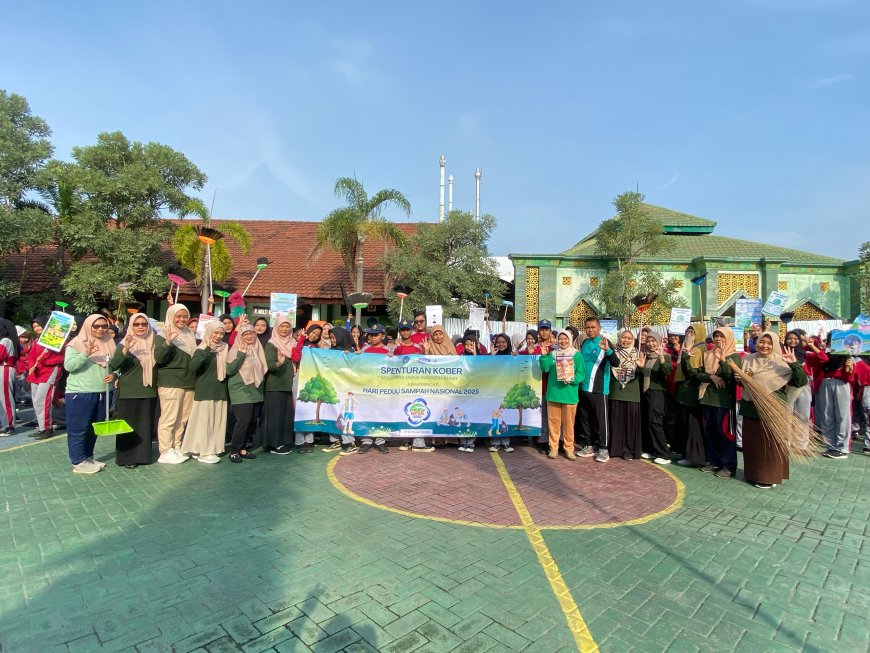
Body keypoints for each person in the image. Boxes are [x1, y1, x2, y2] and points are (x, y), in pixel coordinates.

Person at [739, 332, 807, 488]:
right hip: (751, 406)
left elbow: (800, 382)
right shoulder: (748, 359)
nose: (765, 346)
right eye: (762, 342)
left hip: (774, 408)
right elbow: (742, 383)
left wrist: (794, 364)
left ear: (775, 344)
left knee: (770, 445)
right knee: (753, 444)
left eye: (769, 343)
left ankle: (768, 477)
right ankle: (753, 474)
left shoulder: (781, 362)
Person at [63, 314, 116, 474]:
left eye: (104, 326)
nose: (101, 329)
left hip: (103, 392)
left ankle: (88, 457)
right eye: (96, 326)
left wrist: (114, 375)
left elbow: (115, 365)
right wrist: (85, 352)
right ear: (88, 326)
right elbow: (70, 366)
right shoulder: (76, 343)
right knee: (78, 428)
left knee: (93, 428)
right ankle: (78, 462)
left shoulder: (109, 342)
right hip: (80, 392)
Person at [686, 326, 741, 478]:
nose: (718, 339)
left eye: (722, 336)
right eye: (716, 336)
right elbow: (697, 374)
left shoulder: (734, 357)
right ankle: (714, 461)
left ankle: (728, 465)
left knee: (725, 434)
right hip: (706, 398)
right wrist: (710, 377)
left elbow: (728, 376)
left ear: (728, 338)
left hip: (723, 401)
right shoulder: (707, 354)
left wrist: (723, 361)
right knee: (710, 432)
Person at [181, 321, 237, 464]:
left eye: (221, 333)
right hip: (205, 390)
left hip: (220, 390)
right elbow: (193, 367)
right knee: (204, 422)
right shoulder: (201, 348)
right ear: (209, 332)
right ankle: (204, 452)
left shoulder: (225, 347)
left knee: (216, 422)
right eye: (215, 332)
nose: (218, 336)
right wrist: (207, 349)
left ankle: (205, 448)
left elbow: (230, 368)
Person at [109, 313, 157, 468]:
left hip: (148, 390)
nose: (141, 327)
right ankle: (126, 457)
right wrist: (125, 350)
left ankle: (143, 456)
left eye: (144, 324)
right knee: (127, 425)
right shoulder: (124, 343)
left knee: (144, 425)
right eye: (136, 324)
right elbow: (115, 364)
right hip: (129, 391)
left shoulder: (154, 342)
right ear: (131, 326)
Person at [154, 304, 197, 464]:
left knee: (182, 418)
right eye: (178, 316)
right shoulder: (163, 334)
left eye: (185, 316)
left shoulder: (189, 334)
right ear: (171, 316)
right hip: (171, 382)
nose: (182, 319)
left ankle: (176, 446)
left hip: (189, 382)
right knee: (169, 418)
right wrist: (168, 342)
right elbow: (159, 358)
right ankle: (165, 451)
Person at [539, 329, 585, 460]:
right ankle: (553, 447)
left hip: (569, 395)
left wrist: (572, 379)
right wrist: (543, 356)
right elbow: (545, 368)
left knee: (569, 424)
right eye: (560, 339)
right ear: (557, 340)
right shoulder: (552, 354)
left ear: (570, 340)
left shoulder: (576, 355)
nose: (563, 341)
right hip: (553, 393)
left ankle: (569, 448)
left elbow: (581, 374)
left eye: (565, 339)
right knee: (553, 423)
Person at [225, 324, 266, 463]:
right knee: (243, 420)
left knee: (252, 421)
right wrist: (241, 354)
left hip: (255, 389)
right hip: (241, 389)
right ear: (240, 336)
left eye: (251, 333)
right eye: (245, 334)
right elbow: (230, 370)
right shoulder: (236, 348)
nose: (249, 336)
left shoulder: (258, 347)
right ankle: (234, 451)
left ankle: (243, 449)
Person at [576, 317, 615, 462]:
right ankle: (589, 445)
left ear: (599, 328)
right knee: (585, 417)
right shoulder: (584, 343)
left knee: (601, 419)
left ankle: (604, 449)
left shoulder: (605, 342)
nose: (590, 330)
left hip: (599, 388)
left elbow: (616, 362)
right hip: (583, 386)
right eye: (587, 328)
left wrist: (609, 351)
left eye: (593, 327)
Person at [673, 325, 707, 467]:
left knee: (692, 425)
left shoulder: (698, 349)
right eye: (687, 331)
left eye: (692, 332)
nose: (689, 334)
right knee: (685, 423)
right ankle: (686, 452)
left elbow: (691, 372)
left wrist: (686, 356)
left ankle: (694, 456)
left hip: (691, 393)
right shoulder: (688, 347)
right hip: (684, 392)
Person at [260, 315, 295, 455]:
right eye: (282, 326)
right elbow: (270, 365)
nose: (285, 329)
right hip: (275, 386)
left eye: (287, 326)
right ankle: (274, 444)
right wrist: (279, 363)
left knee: (285, 416)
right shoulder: (271, 344)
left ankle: (283, 441)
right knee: (275, 417)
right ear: (276, 327)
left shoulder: (293, 342)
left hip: (288, 386)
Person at [637, 332, 673, 465]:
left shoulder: (665, 356)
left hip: (657, 393)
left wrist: (662, 358)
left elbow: (667, 372)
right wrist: (640, 368)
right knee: (647, 421)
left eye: (653, 341)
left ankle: (664, 453)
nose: (651, 344)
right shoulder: (646, 356)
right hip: (645, 393)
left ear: (659, 342)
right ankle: (651, 449)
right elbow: (645, 375)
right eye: (649, 341)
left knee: (655, 422)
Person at [24, 323, 66, 439]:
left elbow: (60, 358)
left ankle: (47, 428)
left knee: (42, 401)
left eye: (39, 326)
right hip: (37, 373)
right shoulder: (37, 341)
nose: (37, 328)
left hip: (49, 372)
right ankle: (41, 427)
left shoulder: (58, 341)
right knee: (36, 401)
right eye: (34, 327)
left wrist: (43, 361)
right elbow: (32, 356)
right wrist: (34, 365)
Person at [608, 330, 642, 460]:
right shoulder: (614, 353)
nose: (626, 340)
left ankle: (629, 450)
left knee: (631, 423)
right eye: (624, 337)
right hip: (616, 391)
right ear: (619, 338)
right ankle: (616, 449)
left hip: (632, 392)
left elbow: (643, 373)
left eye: (629, 338)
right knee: (616, 422)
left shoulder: (638, 353)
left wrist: (641, 366)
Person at [358, 324, 390, 453]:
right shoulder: (365, 350)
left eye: (376, 334)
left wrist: (393, 359)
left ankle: (380, 440)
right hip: (368, 387)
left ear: (383, 336)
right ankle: (366, 440)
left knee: (381, 413)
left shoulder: (389, 351)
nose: (374, 337)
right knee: (366, 413)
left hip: (382, 388)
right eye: (372, 334)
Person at [489, 334, 515, 452]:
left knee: (506, 416)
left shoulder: (513, 356)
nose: (501, 344)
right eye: (498, 342)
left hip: (508, 391)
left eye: (504, 342)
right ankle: (494, 442)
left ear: (508, 343)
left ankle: (505, 442)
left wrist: (516, 357)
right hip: (495, 391)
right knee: (495, 415)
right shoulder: (492, 356)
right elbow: (485, 368)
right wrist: (491, 356)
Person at [0, 318, 20, 435]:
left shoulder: (5, 340)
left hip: (5, 369)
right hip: (3, 368)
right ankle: (5, 423)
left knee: (5, 398)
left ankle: (9, 425)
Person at [14, 327, 32, 407]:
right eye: (22, 337)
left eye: (26, 337)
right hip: (20, 367)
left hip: (28, 367)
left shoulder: (31, 343)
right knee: (21, 385)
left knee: (28, 385)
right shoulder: (16, 344)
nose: (24, 339)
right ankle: (24, 399)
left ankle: (29, 399)